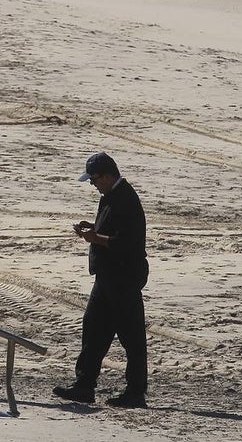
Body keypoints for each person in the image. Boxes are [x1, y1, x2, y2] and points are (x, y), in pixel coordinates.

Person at [53, 151, 149, 408]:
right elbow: (111, 232)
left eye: (94, 179)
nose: (93, 184)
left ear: (107, 176)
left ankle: (135, 392)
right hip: (107, 277)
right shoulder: (111, 196)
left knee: (132, 338)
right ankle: (84, 386)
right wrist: (93, 230)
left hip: (123, 278)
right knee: (94, 331)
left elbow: (125, 242)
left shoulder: (125, 199)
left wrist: (95, 238)